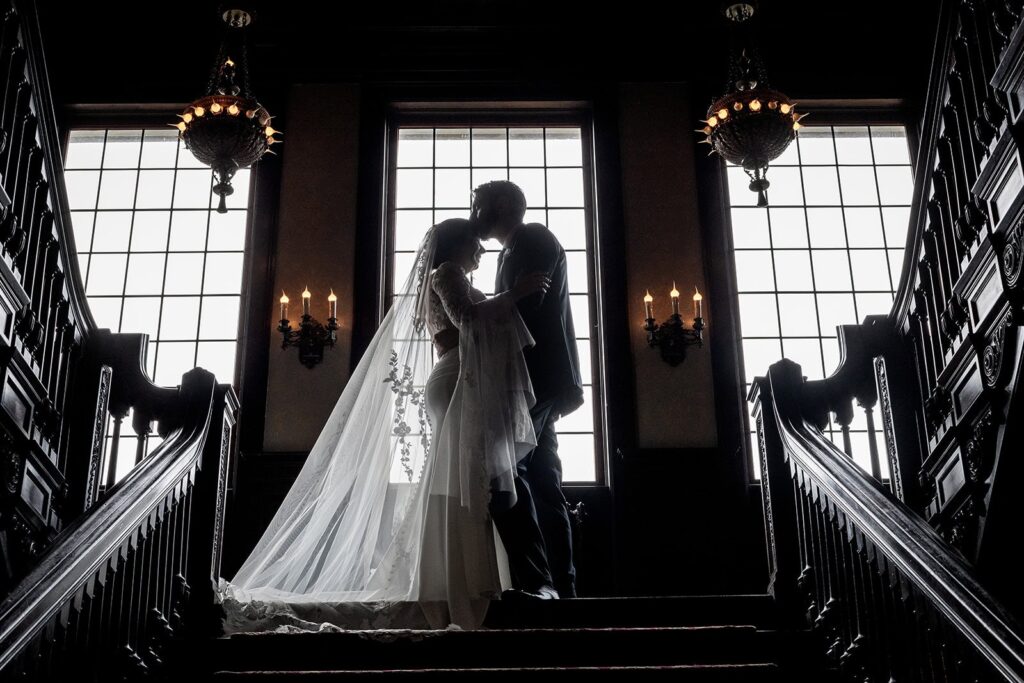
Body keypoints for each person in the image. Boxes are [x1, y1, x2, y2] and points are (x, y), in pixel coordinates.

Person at [216, 218, 550, 632]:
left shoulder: (450, 274)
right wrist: (514, 294)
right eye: (474, 243)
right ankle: (458, 586)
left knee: (459, 481)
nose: (481, 251)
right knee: (464, 480)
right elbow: (465, 318)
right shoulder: (444, 273)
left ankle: (458, 581)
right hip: (456, 379)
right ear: (457, 244)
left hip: (462, 379)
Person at [470, 180, 585, 600]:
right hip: (532, 383)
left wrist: (484, 306)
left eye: (477, 203)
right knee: (542, 479)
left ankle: (538, 582)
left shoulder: (534, 237)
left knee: (506, 472)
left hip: (535, 381)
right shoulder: (509, 251)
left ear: (500, 206)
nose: (473, 212)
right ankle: (560, 586)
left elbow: (528, 307)